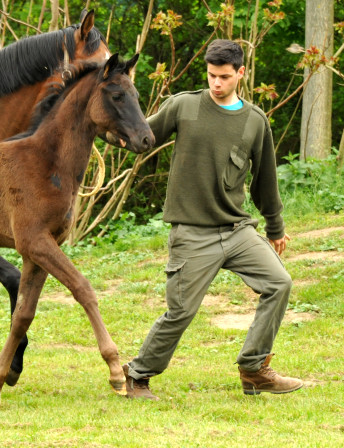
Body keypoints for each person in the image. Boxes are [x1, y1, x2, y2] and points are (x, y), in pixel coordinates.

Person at [122, 39, 303, 400]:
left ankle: (253, 369)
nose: (216, 83)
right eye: (210, 75)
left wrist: (275, 227)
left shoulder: (254, 121)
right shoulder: (184, 106)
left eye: (223, 77)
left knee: (279, 283)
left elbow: (265, 179)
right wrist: (96, 128)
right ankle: (138, 374)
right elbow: (139, 138)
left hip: (237, 230)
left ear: (241, 73)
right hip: (192, 233)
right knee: (181, 312)